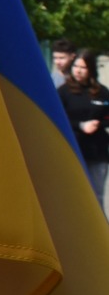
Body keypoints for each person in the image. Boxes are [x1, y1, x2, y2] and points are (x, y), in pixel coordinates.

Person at [58, 49, 109, 208]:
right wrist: (80, 125)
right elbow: (59, 118)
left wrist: (99, 123)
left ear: (91, 69)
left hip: (97, 152)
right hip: (73, 149)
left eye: (83, 67)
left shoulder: (102, 92)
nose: (78, 71)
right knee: (72, 195)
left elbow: (107, 116)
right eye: (76, 66)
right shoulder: (63, 92)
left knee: (96, 195)